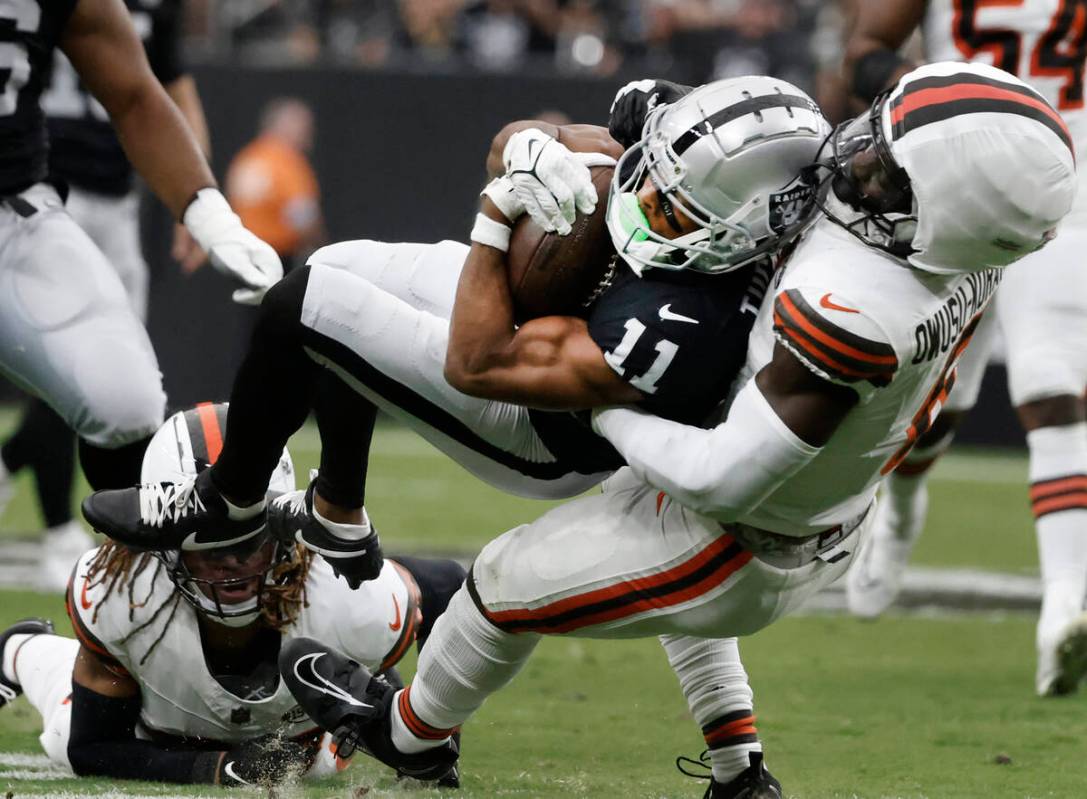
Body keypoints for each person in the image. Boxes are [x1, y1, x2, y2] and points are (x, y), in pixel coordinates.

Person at [276, 60, 1076, 792]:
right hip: (810, 490)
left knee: (500, 585)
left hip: (748, 532)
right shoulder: (965, 248)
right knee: (647, 574)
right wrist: (681, 127)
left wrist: (606, 407)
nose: (854, 155)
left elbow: (718, 476)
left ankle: (411, 736)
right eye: (875, 125)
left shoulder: (855, 309)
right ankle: (739, 775)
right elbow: (824, 193)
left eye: (884, 170)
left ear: (946, 219)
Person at [82, 76, 832, 796]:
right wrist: (532, 147)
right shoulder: (694, 143)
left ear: (745, 231)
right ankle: (337, 510)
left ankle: (231, 501)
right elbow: (527, 143)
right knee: (331, 265)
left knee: (304, 306)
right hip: (544, 334)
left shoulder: (686, 330)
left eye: (673, 207)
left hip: (541, 421)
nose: (645, 200)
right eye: (652, 176)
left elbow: (478, 361)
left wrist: (498, 210)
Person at [0, 404, 465, 787]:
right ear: (165, 543)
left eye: (247, 544)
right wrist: (217, 769)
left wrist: (436, 735)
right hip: (157, 726)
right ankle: (22, 649)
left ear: (283, 532)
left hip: (293, 738)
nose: (232, 564)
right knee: (63, 738)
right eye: (208, 547)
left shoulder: (345, 596)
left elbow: (443, 584)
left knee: (319, 766)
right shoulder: (123, 593)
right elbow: (92, 747)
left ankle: (371, 691)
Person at [840, 0, 1087, 697]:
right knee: (938, 402)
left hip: (1069, 196)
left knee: (1053, 386)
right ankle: (901, 506)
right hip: (958, 187)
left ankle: (1063, 608)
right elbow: (862, 51)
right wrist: (927, 86)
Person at [0, 0, 282, 510]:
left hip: (19, 209)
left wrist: (207, 214)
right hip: (60, 196)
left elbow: (135, 94)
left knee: (124, 399)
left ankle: (130, 576)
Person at [0, 0, 214, 592]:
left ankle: (82, 545)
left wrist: (199, 201)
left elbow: (155, 93)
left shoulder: (150, 10)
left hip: (53, 208)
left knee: (117, 395)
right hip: (56, 191)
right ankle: (49, 516)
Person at [227, 97, 323, 272]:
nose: (308, 134)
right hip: (278, 255)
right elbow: (302, 215)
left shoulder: (248, 157)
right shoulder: (286, 161)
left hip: (243, 253)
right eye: (302, 127)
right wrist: (320, 247)